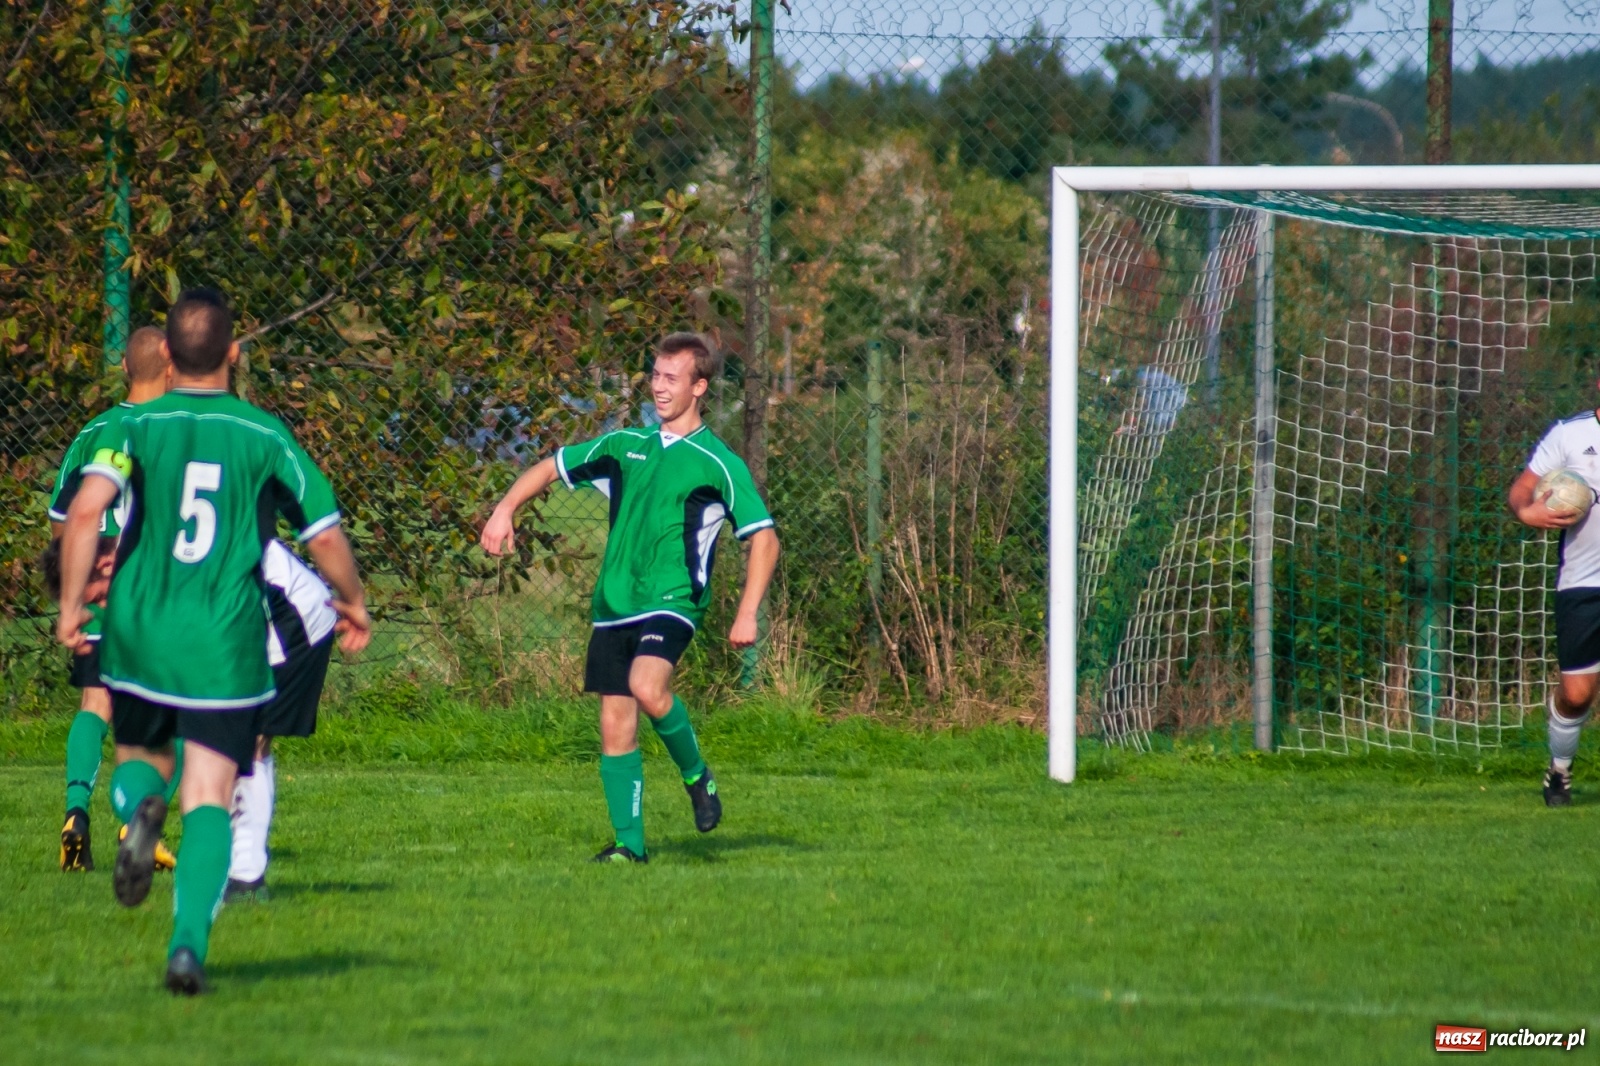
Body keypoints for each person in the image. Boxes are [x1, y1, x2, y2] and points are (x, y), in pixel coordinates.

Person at [55, 288, 371, 995]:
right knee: (208, 794)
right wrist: (351, 601)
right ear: (233, 353)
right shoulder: (265, 436)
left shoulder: (132, 427)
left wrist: (72, 606)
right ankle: (187, 948)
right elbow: (323, 535)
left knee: (140, 765)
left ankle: (137, 805)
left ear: (166, 355)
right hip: (226, 642)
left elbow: (83, 514)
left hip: (139, 631)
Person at [481, 332, 780, 863]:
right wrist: (505, 509)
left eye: (672, 379)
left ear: (700, 386)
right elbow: (551, 465)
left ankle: (696, 776)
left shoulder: (718, 462)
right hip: (614, 604)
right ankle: (630, 847)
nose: (659, 388)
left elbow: (763, 537)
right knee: (615, 726)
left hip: (672, 600)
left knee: (647, 685)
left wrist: (747, 611)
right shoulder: (625, 446)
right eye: (655, 376)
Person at [46, 326, 176, 872]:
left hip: (96, 590)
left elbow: (61, 525)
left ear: (125, 367)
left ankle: (76, 811)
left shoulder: (91, 435)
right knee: (170, 717)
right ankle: (137, 819)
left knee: (95, 704)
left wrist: (74, 594)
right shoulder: (178, 432)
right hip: (155, 595)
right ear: (170, 368)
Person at [225, 538, 340, 901]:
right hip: (251, 611)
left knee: (249, 739)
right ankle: (235, 861)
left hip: (293, 616)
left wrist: (353, 601)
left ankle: (246, 875)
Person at [1509, 405, 1600, 806]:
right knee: (1577, 695)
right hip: (1583, 583)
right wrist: (1527, 512)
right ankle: (1559, 771)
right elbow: (1521, 490)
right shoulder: (1569, 434)